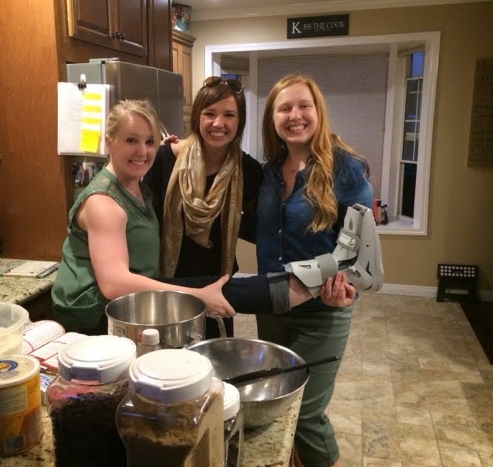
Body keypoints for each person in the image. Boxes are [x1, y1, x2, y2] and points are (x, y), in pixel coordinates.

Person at [51, 99, 354, 335]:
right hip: (95, 314)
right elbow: (114, 283)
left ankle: (300, 285)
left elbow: (257, 224)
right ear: (109, 141)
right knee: (220, 288)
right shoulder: (104, 202)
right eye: (131, 140)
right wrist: (196, 295)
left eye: (149, 141)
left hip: (136, 299)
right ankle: (296, 288)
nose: (142, 151)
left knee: (224, 286)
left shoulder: (139, 186)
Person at [255, 74, 374, 467]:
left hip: (322, 311)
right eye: (284, 108)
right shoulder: (268, 172)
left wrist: (346, 287)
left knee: (305, 412)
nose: (295, 115)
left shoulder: (348, 169)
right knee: (277, 404)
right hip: (272, 307)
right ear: (272, 118)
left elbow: (357, 251)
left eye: (304, 106)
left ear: (318, 111)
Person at [143, 76, 261, 338]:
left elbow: (258, 228)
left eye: (229, 115)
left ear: (239, 121)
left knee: (213, 358)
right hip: (167, 283)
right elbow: (144, 221)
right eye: (210, 113)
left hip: (216, 285)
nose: (218, 123)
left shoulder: (249, 170)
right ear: (198, 117)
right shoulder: (164, 158)